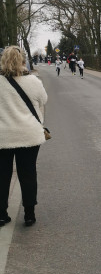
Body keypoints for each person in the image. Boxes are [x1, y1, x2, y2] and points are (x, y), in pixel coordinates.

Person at [0, 46, 48, 227]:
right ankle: (29, 214)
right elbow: (43, 100)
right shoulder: (33, 81)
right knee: (28, 173)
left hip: (2, 136)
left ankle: (1, 214)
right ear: (23, 60)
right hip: (28, 135)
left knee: (2, 175)